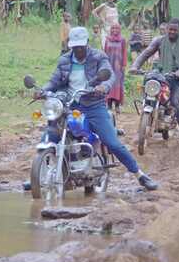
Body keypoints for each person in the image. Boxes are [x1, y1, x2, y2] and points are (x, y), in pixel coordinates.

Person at [35, 27, 158, 190]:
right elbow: (54, 81)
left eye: (80, 46)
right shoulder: (64, 60)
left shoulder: (99, 56)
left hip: (93, 105)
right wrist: (42, 90)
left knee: (112, 143)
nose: (78, 50)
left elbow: (109, 75)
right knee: (50, 133)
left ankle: (139, 175)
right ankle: (38, 174)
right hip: (69, 104)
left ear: (86, 43)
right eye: (74, 47)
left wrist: (103, 86)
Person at [130, 18, 179, 139]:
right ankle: (142, 129)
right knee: (149, 95)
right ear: (166, 29)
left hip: (177, 78)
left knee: (175, 102)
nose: (172, 32)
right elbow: (146, 53)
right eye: (170, 29)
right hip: (161, 74)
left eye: (175, 30)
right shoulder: (159, 40)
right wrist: (135, 66)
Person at [104, 23, 127, 114]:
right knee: (109, 84)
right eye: (113, 28)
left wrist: (124, 65)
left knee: (117, 85)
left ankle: (117, 106)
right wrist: (104, 64)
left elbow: (124, 52)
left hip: (118, 67)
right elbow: (105, 52)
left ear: (119, 29)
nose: (115, 30)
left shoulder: (122, 40)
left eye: (116, 28)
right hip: (109, 66)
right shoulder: (107, 40)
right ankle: (109, 105)